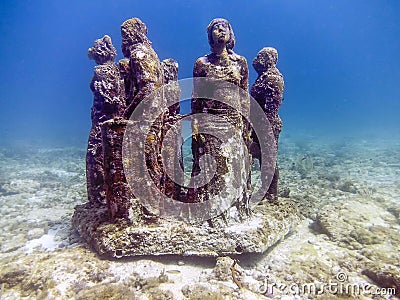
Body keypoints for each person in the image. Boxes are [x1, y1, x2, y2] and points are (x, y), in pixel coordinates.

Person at [189, 18, 251, 219]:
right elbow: (196, 96)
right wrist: (195, 125)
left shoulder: (240, 62)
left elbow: (244, 94)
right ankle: (212, 213)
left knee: (235, 165)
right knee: (213, 167)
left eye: (224, 27)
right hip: (210, 120)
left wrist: (248, 125)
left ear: (231, 34)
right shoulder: (202, 64)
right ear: (210, 35)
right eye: (216, 28)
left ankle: (236, 209)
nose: (220, 30)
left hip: (234, 120)